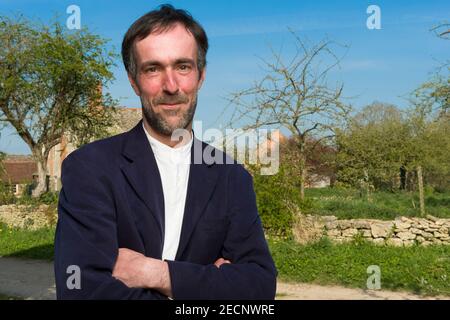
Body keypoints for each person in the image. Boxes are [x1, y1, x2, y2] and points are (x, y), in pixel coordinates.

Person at [54, 4, 277, 300]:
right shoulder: (89, 168)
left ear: (201, 76)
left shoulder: (232, 178)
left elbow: (259, 288)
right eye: (153, 69)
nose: (171, 86)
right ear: (134, 82)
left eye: (183, 66)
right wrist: (209, 286)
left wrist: (156, 273)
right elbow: (81, 291)